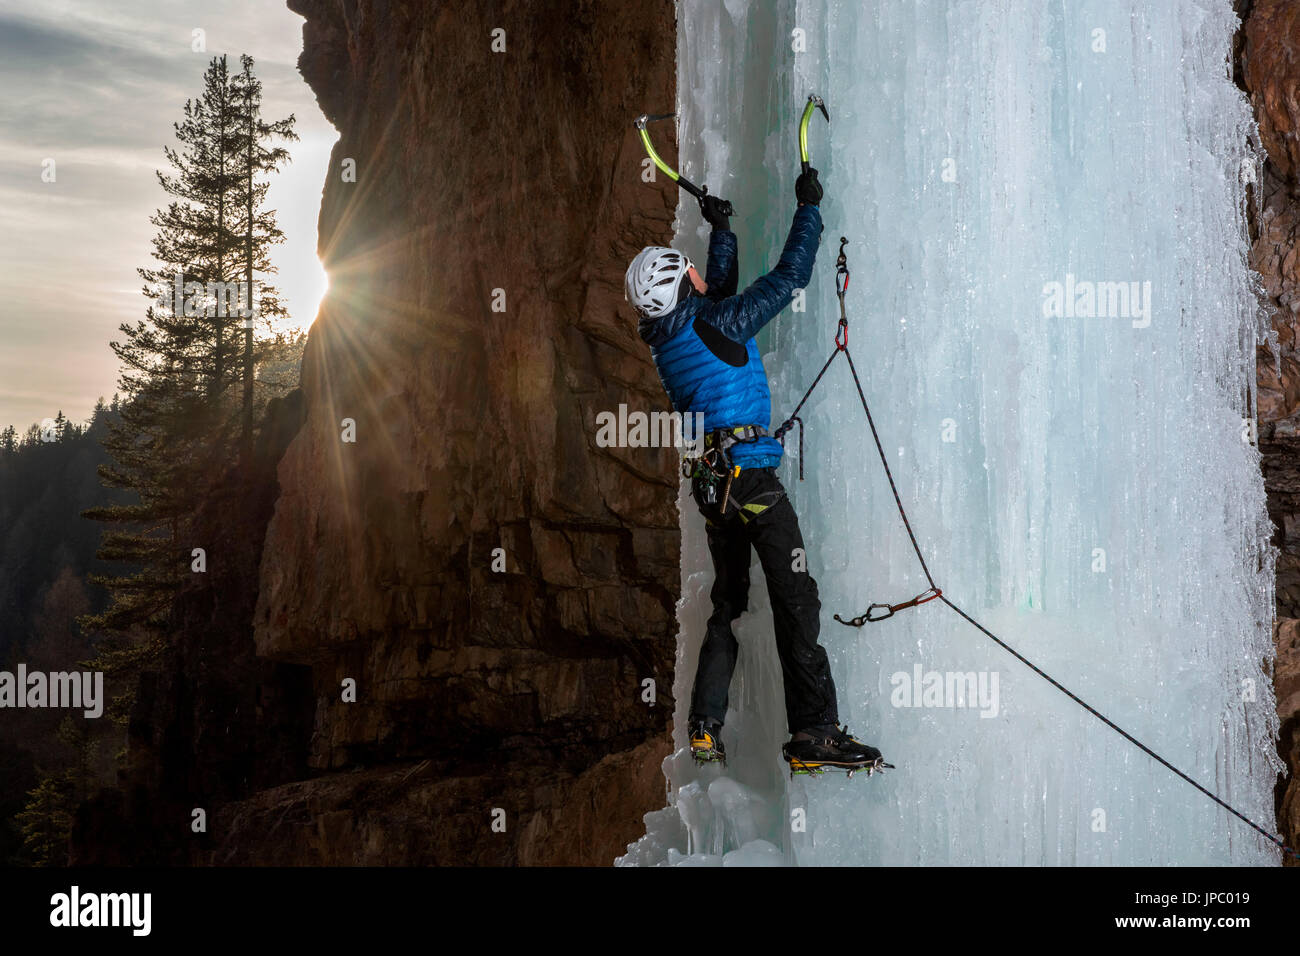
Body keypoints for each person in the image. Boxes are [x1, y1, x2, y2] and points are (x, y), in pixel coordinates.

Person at [625, 166, 883, 772]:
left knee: (729, 604)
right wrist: (809, 207)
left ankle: (705, 725)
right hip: (751, 481)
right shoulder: (712, 324)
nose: (693, 270)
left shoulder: (671, 340)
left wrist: (724, 232)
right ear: (677, 283)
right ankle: (815, 731)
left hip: (716, 490)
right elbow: (789, 279)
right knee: (796, 597)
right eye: (682, 264)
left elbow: (716, 301)